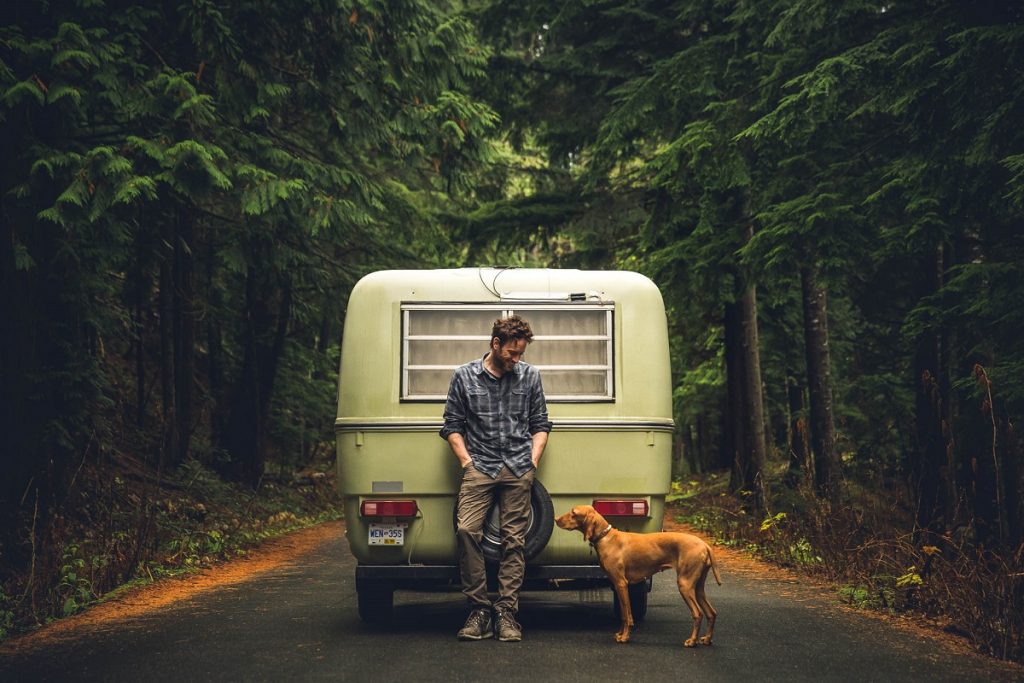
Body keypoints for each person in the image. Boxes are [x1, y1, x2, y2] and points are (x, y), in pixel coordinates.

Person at [439, 315, 552, 642]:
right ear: (495, 344)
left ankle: (507, 613)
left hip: (519, 468)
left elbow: (540, 423)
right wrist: (467, 462)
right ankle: (479, 610)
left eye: (521, 354)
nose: (517, 360)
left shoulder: (530, 376)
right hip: (480, 468)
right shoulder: (464, 376)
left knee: (513, 541)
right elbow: (452, 425)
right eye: (511, 353)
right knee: (467, 531)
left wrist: (532, 461)